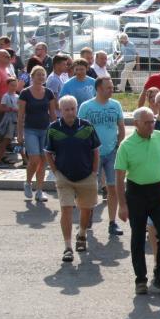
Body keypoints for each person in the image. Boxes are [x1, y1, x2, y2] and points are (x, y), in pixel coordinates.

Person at [115, 107, 160, 295]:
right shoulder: (126, 145)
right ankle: (140, 279)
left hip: (159, 192)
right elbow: (119, 177)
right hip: (136, 193)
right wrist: (122, 205)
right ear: (137, 123)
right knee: (138, 237)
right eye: (147, 122)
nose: (151, 125)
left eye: (153, 122)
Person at [45, 96, 100, 263]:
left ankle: (82, 234)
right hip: (64, 177)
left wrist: (94, 172)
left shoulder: (87, 126)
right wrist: (56, 172)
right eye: (66, 109)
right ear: (60, 111)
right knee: (66, 209)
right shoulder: (54, 128)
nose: (70, 112)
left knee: (86, 209)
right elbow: (48, 152)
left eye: (72, 109)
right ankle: (68, 247)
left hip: (86, 176)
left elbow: (95, 150)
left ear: (76, 109)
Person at [78, 77, 126, 237]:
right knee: (92, 187)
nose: (111, 90)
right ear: (98, 89)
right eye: (108, 87)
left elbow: (121, 127)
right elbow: (80, 130)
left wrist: (119, 146)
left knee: (113, 187)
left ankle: (112, 222)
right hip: (92, 153)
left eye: (112, 87)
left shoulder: (116, 105)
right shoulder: (86, 107)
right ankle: (88, 214)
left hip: (112, 152)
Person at [17, 66, 57, 200]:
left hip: (45, 129)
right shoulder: (25, 93)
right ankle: (28, 183)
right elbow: (21, 115)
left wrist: (57, 132)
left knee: (43, 161)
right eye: (38, 75)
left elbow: (52, 114)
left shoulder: (49, 93)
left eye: (43, 75)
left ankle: (39, 190)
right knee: (35, 159)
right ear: (32, 77)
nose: (40, 77)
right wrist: (19, 134)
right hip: (30, 130)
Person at [0, 78, 19, 169]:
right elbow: (1, 108)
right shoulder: (6, 96)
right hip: (9, 120)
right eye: (12, 85)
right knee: (6, 140)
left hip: (16, 119)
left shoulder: (17, 96)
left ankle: (25, 160)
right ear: (8, 86)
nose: (14, 87)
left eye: (15, 85)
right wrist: (12, 109)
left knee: (18, 140)